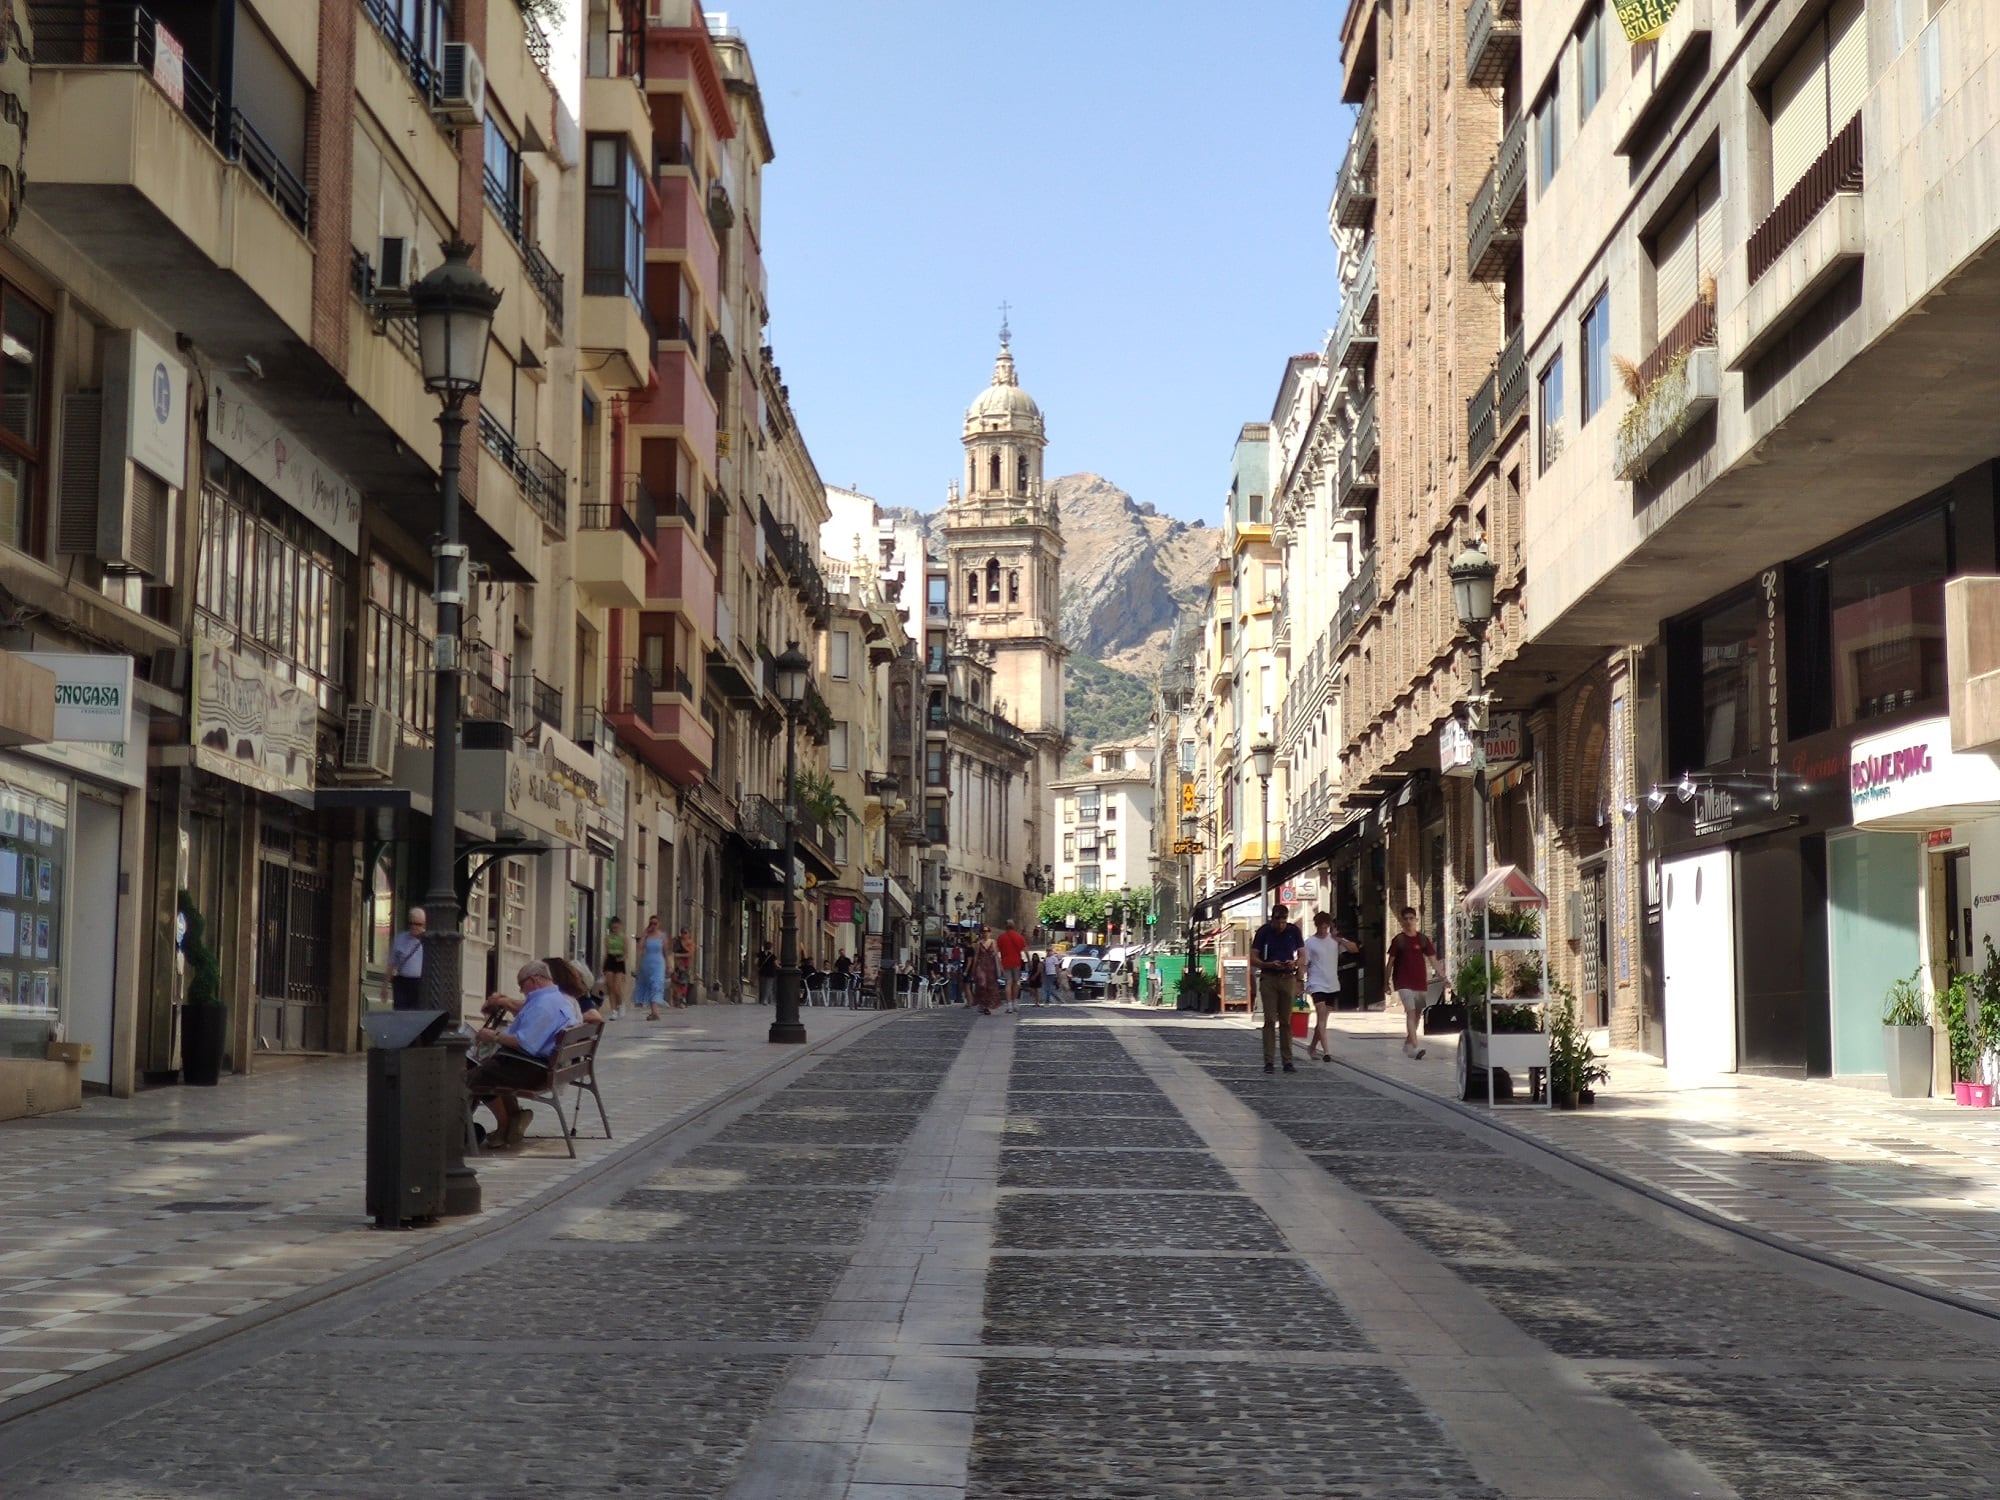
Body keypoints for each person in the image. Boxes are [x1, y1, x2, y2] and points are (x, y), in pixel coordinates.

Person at [468, 959, 581, 1148]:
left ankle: (504, 1126)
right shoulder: (556, 998)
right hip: (543, 1065)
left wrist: (493, 1036)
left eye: (522, 984)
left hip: (533, 1070)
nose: (521, 990)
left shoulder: (543, 1005)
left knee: (473, 1076)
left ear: (535, 979)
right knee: (485, 1066)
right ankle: (513, 1118)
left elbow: (525, 1044)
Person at [1249, 902, 1307, 1074]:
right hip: (1269, 977)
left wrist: (1295, 965)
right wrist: (1267, 964)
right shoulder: (1264, 932)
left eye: (1283, 921)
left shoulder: (1293, 931)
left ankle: (1287, 1061)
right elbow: (1253, 957)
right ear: (1272, 919)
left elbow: (1303, 955)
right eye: (1277, 921)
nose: (1281, 925)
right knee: (1269, 1020)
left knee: (1286, 1021)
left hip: (1288, 977)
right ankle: (1269, 1061)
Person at [1303, 911, 1361, 1063]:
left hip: (1332, 983)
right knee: (1321, 1016)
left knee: (1323, 1020)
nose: (1323, 930)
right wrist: (1300, 981)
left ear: (1329, 926)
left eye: (1325, 927)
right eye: (1321, 927)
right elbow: (1305, 963)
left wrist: (1340, 939)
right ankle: (1327, 1051)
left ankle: (1312, 1048)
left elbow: (1354, 949)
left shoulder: (1334, 941)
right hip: (1316, 983)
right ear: (1316, 926)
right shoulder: (1310, 943)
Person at [1387, 906, 1441, 1060]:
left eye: (1412, 918)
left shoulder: (1423, 939)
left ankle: (1408, 1043)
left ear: (1416, 920)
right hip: (1403, 982)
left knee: (1417, 1014)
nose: (1409, 921)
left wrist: (1444, 977)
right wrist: (1386, 982)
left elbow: (1433, 960)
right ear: (1402, 921)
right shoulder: (1399, 940)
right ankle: (1415, 1047)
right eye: (1406, 919)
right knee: (1410, 1012)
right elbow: (1390, 963)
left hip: (1419, 981)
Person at [384, 907, 426, 1010]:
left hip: (420, 984)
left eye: (418, 924)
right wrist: (384, 986)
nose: (414, 927)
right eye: (411, 923)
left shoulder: (428, 941)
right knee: (401, 1013)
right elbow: (391, 963)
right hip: (402, 982)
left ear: (424, 924)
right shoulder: (400, 939)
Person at [633, 915, 668, 1020]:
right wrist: (645, 934)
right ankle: (653, 1012)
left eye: (655, 923)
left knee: (656, 984)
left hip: (659, 963)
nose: (653, 925)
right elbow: (640, 947)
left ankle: (654, 1012)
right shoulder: (647, 936)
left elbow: (666, 952)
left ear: (659, 924)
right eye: (651, 923)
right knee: (649, 985)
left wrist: (669, 965)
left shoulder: (662, 936)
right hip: (647, 963)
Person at [969, 926, 1002, 1016]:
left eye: (987, 932)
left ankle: (986, 1006)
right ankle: (982, 1003)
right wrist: (973, 968)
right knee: (982, 984)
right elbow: (975, 956)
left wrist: (1000, 966)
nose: (985, 933)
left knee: (990, 987)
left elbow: (996, 955)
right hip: (981, 966)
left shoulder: (993, 942)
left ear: (990, 933)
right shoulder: (978, 944)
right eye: (983, 932)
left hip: (991, 967)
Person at [599, 917, 629, 1018]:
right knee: (610, 987)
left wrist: (622, 958)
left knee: (617, 987)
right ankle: (613, 1011)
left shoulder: (624, 938)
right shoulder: (608, 938)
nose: (615, 930)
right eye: (613, 928)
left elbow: (626, 953)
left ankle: (621, 1004)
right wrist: (603, 967)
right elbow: (606, 953)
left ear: (620, 927)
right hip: (610, 960)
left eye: (617, 927)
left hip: (619, 961)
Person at [997, 919, 1028, 1011]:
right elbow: (1025, 950)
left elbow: (997, 951)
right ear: (1014, 926)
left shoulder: (1001, 937)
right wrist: (1029, 961)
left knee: (1008, 983)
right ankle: (1015, 1003)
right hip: (1016, 962)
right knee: (1016, 983)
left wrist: (999, 963)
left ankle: (1009, 1005)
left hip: (1005, 963)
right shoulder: (1019, 937)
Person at [672, 925, 697, 1006]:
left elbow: (690, 954)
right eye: (682, 932)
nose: (683, 935)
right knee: (675, 982)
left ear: (689, 934)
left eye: (685, 933)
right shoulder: (677, 941)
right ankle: (677, 999)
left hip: (684, 965)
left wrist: (678, 955)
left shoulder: (690, 943)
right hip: (675, 964)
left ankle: (682, 999)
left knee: (683, 982)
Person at [756, 942, 779, 1006]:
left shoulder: (760, 954)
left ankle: (763, 999)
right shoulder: (773, 955)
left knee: (762, 986)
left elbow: (755, 962)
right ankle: (765, 1000)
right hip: (770, 973)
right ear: (771, 947)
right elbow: (776, 964)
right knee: (768, 986)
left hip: (762, 972)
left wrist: (758, 967)